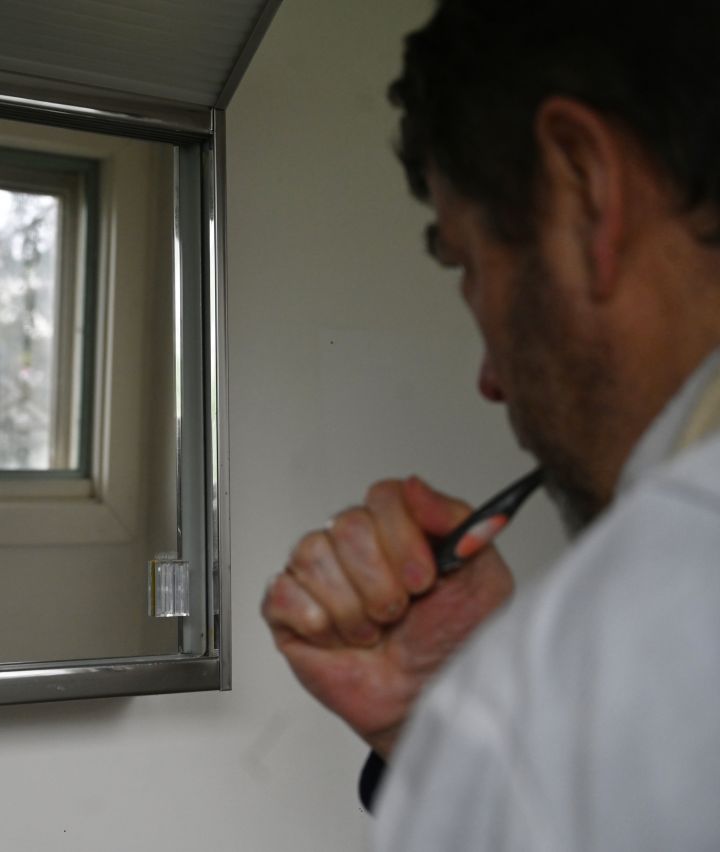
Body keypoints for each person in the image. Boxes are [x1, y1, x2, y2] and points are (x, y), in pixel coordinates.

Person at [261, 0, 720, 848]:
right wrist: (449, 727)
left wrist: (501, 726)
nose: (489, 380)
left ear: (586, 187)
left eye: (471, 266)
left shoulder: (607, 662)